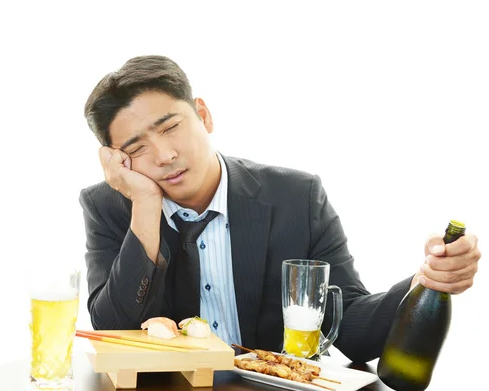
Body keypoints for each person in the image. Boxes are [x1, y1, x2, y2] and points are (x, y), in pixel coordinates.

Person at [79, 55, 481, 363]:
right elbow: (114, 332)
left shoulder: (296, 196)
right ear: (118, 161)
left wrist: (427, 282)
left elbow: (352, 328)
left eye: (171, 128)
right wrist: (145, 207)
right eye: (137, 148)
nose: (165, 155)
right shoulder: (109, 206)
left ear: (203, 115)